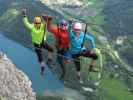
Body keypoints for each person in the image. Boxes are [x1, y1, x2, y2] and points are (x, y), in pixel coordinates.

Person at [22, 9, 54, 76]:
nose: (37, 24)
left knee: (46, 53)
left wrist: (24, 15)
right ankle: (45, 65)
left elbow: (26, 23)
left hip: (39, 44)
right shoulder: (41, 26)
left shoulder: (33, 26)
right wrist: (47, 18)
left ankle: (48, 62)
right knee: (44, 56)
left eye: (38, 23)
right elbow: (47, 21)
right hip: (39, 44)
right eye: (37, 23)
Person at [42, 15, 69, 79]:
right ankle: (64, 72)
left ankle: (64, 70)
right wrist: (49, 21)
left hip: (65, 48)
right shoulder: (57, 30)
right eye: (62, 25)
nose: (63, 26)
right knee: (60, 60)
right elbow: (49, 29)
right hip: (60, 48)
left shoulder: (67, 31)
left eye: (64, 25)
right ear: (60, 25)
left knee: (65, 59)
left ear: (66, 26)